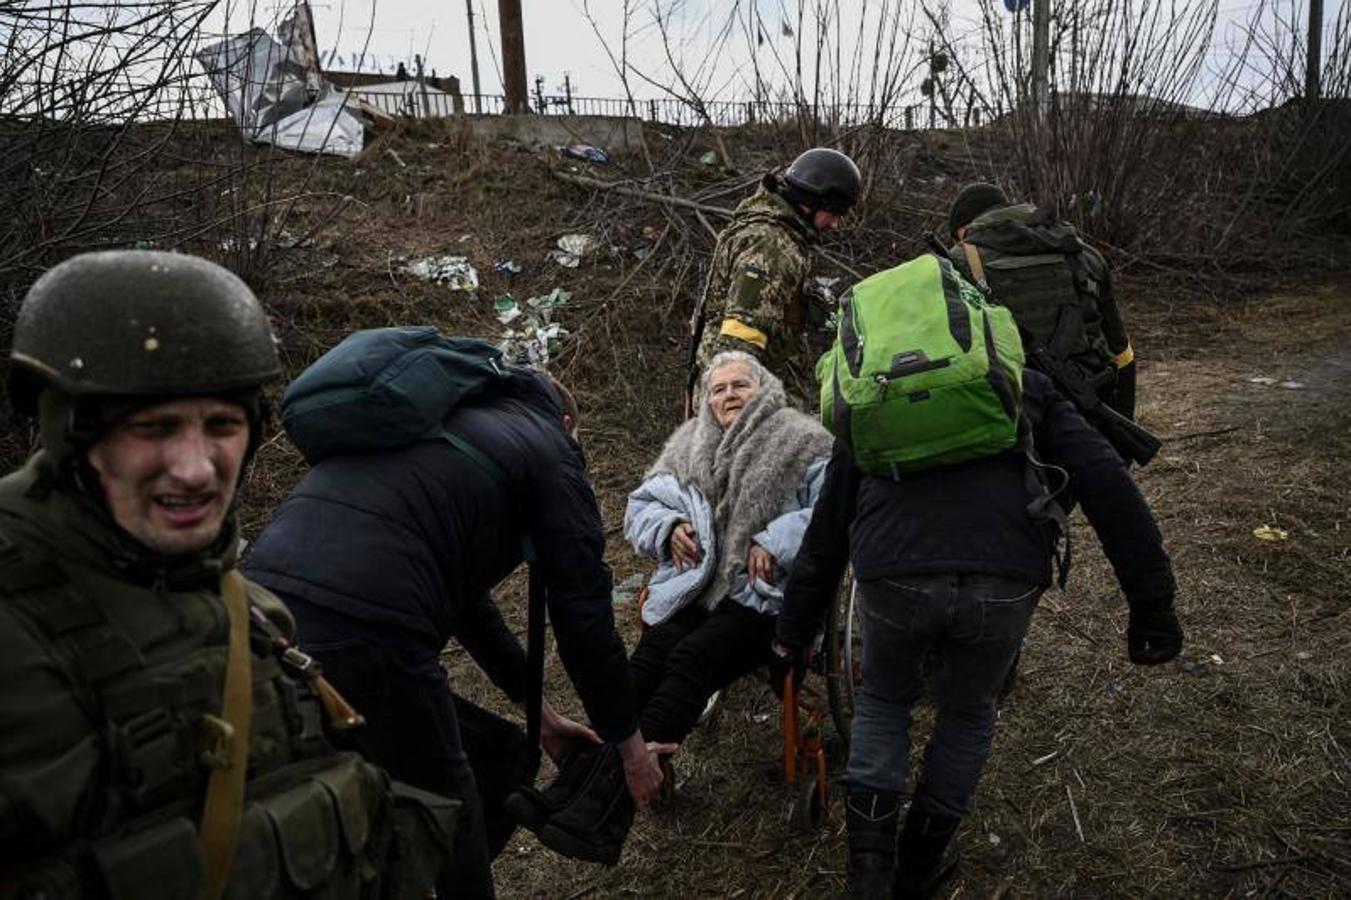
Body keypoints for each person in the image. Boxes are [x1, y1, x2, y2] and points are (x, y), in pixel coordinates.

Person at [0, 250, 454, 899]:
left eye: (222, 426)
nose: (196, 467)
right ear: (74, 435)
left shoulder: (253, 613)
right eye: (153, 429)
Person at [242, 359, 668, 898]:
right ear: (566, 424)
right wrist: (631, 751)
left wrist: (544, 717)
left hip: (261, 615)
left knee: (493, 758)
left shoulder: (443, 430)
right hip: (368, 628)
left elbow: (468, 605)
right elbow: (583, 616)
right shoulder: (548, 447)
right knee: (452, 808)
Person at [775, 369, 1183, 899]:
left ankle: (869, 874)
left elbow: (828, 528)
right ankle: (919, 866)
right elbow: (1107, 480)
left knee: (883, 700)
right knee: (967, 712)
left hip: (893, 568)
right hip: (1004, 576)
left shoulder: (874, 392)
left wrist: (791, 634)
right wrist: (1151, 602)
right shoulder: (1024, 381)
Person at [508, 351, 833, 864]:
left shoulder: (804, 441)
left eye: (739, 385)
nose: (728, 395)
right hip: (695, 588)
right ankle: (571, 795)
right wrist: (669, 528)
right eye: (718, 388)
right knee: (645, 663)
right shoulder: (690, 447)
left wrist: (777, 539)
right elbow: (641, 507)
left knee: (691, 659)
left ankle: (602, 801)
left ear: (765, 391)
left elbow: (832, 514)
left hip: (760, 597)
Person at [946, 182, 1138, 423]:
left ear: (965, 229)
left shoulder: (956, 263)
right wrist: (1122, 428)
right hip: (1088, 410)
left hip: (1004, 413)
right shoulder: (1082, 252)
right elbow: (1122, 352)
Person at [691, 147, 862, 401]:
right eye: (835, 212)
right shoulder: (772, 246)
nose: (835, 224)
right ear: (816, 202)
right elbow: (740, 345)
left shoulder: (767, 232)